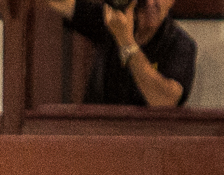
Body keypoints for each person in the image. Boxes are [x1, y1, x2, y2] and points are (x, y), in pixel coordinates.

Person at [48, 0, 195, 107]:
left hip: (147, 141)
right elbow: (58, 3)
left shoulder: (180, 44)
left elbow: (165, 102)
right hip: (99, 133)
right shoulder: (111, 20)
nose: (150, 3)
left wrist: (125, 40)